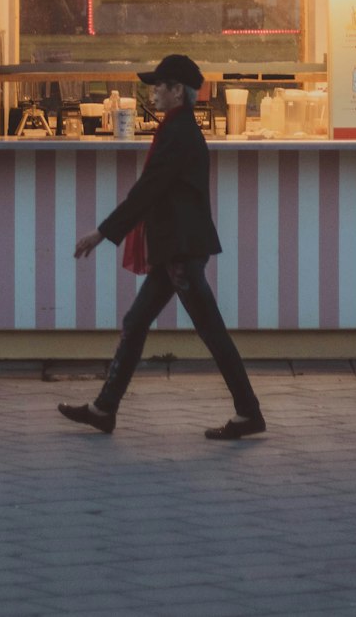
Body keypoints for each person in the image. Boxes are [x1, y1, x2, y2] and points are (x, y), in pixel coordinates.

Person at [58, 53, 266, 441]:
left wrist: (102, 232)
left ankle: (249, 411)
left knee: (211, 331)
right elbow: (153, 190)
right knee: (138, 322)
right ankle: (104, 409)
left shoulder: (178, 133)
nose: (152, 91)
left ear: (177, 91)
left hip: (181, 251)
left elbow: (149, 189)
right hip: (178, 248)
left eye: (159, 85)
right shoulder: (177, 128)